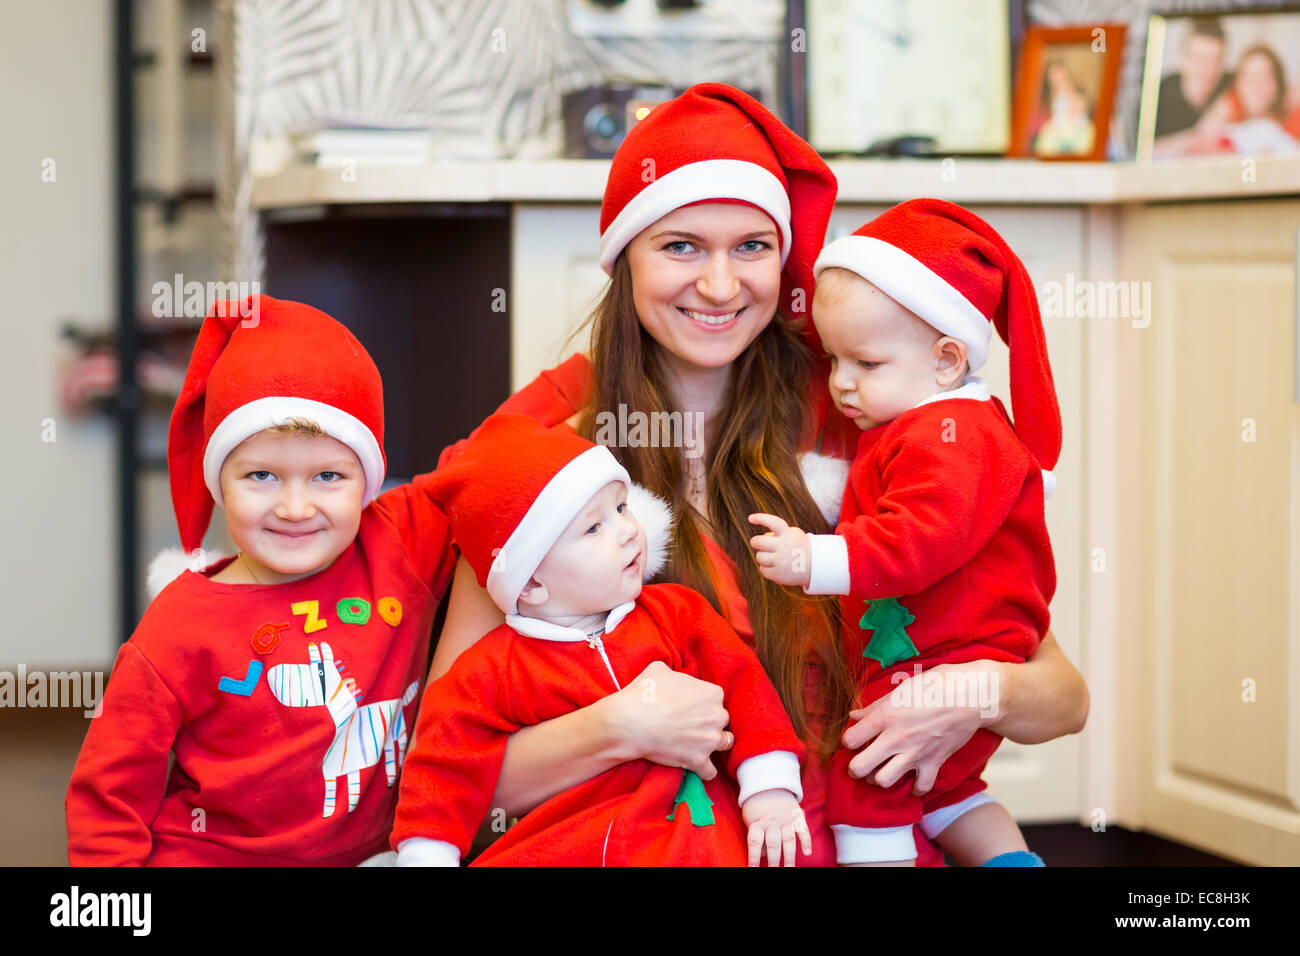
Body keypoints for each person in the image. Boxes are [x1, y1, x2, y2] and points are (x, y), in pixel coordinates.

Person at [430, 83, 1090, 867]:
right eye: (680, 246)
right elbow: (447, 774)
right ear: (625, 259)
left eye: (752, 246)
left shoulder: (872, 434)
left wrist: (970, 698)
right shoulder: (546, 475)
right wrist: (621, 726)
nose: (720, 286)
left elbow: (1063, 697)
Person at [65, 295, 457, 865]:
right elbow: (109, 791)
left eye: (328, 475)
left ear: (367, 482)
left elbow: (500, 442)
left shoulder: (398, 541)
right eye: (261, 476)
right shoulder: (179, 626)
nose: (295, 508)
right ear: (220, 481)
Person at [748, 200, 1058, 866]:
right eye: (833, 361)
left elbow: (919, 539)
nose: (841, 385)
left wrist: (815, 557)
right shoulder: (927, 427)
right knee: (947, 790)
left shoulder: (951, 436)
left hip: (948, 655)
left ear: (948, 359)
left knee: (869, 775)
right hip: (954, 649)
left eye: (866, 364)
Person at [391, 414, 810, 866]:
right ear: (530, 584)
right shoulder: (488, 673)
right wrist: (426, 854)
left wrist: (769, 787)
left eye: (622, 507)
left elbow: (747, 689)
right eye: (594, 528)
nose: (628, 529)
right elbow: (440, 770)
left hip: (690, 844)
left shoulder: (677, 614)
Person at [1153, 16, 1231, 144]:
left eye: (1217, 60)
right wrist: (1198, 134)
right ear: (1183, 59)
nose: (1209, 70)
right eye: (1201, 59)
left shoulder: (1232, 84)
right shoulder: (1157, 95)